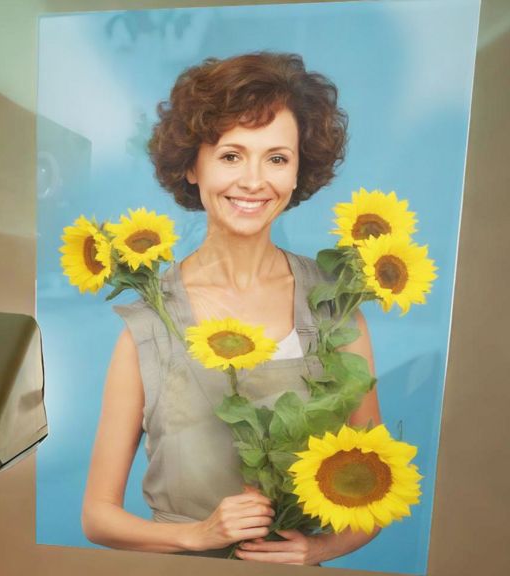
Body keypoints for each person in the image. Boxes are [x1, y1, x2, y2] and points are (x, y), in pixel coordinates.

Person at [81, 52, 381, 565]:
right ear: (192, 168)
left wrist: (318, 549)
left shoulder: (336, 304)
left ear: (298, 173)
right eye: (231, 155)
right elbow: (98, 516)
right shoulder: (149, 321)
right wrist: (197, 534)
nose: (253, 181)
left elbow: (377, 485)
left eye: (277, 158)